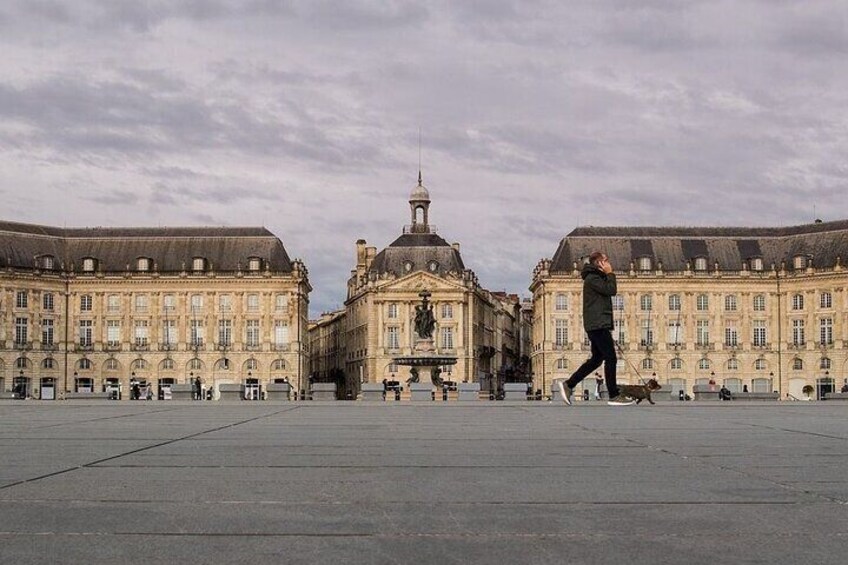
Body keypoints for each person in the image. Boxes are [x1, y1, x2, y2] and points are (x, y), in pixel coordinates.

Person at [558, 251, 633, 406]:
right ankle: (613, 395)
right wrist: (610, 273)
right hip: (597, 324)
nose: (608, 263)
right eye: (605, 260)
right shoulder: (592, 279)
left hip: (597, 323)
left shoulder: (595, 278)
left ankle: (569, 384)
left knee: (597, 359)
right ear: (599, 263)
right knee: (611, 357)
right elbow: (611, 290)